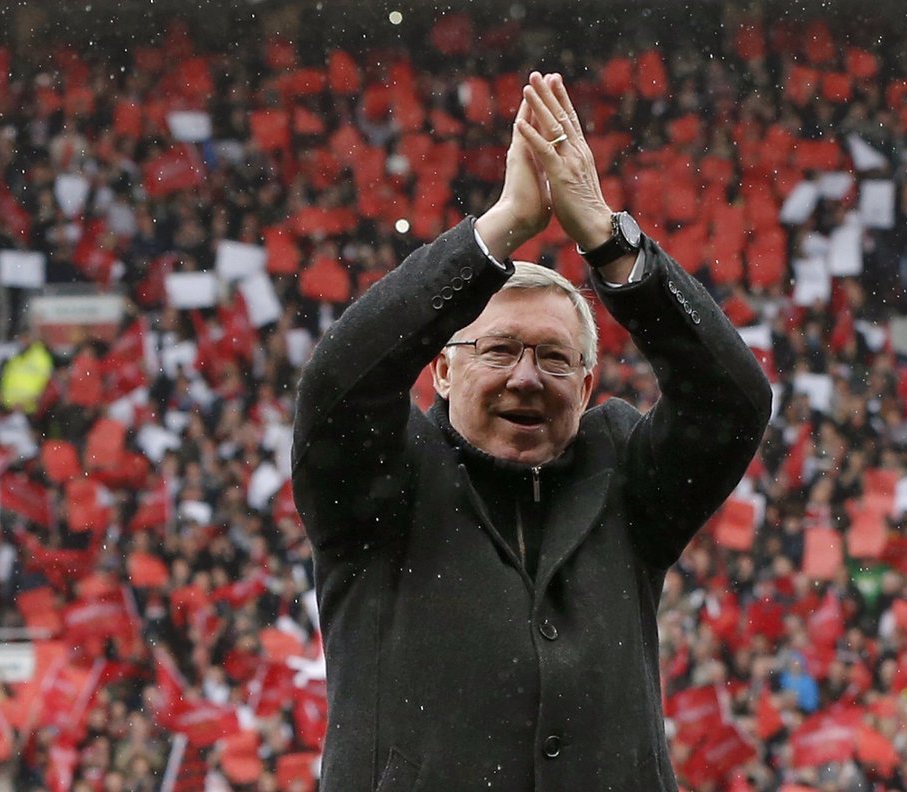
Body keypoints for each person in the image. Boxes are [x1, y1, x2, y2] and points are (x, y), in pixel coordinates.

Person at [292, 72, 772, 791]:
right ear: (444, 373)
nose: (525, 377)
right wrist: (502, 230)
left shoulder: (624, 478)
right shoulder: (387, 480)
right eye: (497, 349)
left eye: (553, 358)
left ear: (585, 387)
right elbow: (337, 387)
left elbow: (732, 402)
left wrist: (611, 244)